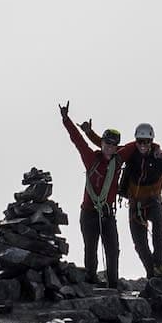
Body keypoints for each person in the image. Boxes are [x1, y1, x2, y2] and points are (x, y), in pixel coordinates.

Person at [58, 102, 126, 286]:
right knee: (91, 248)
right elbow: (77, 140)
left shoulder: (118, 161)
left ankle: (113, 284)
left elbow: (136, 146)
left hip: (107, 213)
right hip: (88, 212)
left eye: (113, 145)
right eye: (106, 143)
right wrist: (66, 119)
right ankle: (91, 280)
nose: (109, 147)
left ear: (116, 147)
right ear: (101, 143)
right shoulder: (91, 158)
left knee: (113, 250)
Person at [117, 123, 162, 283]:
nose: (143, 145)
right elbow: (108, 148)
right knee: (139, 243)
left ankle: (159, 264)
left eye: (146, 141)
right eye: (140, 141)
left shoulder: (160, 158)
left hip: (153, 201)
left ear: (151, 141)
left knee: (158, 232)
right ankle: (151, 271)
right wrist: (89, 133)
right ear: (136, 141)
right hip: (134, 203)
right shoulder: (131, 153)